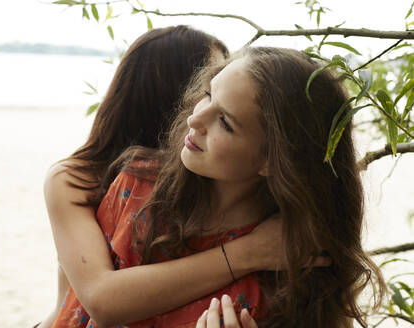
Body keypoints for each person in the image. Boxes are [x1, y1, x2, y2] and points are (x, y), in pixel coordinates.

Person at [58, 46, 385, 327]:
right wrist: (247, 254)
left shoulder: (297, 266)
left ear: (273, 159)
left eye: (225, 122)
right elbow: (96, 306)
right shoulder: (139, 188)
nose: (195, 120)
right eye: (208, 95)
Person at [40, 27, 293, 328]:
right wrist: (248, 253)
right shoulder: (86, 180)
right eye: (208, 88)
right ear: (177, 93)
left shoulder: (243, 203)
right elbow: (103, 299)